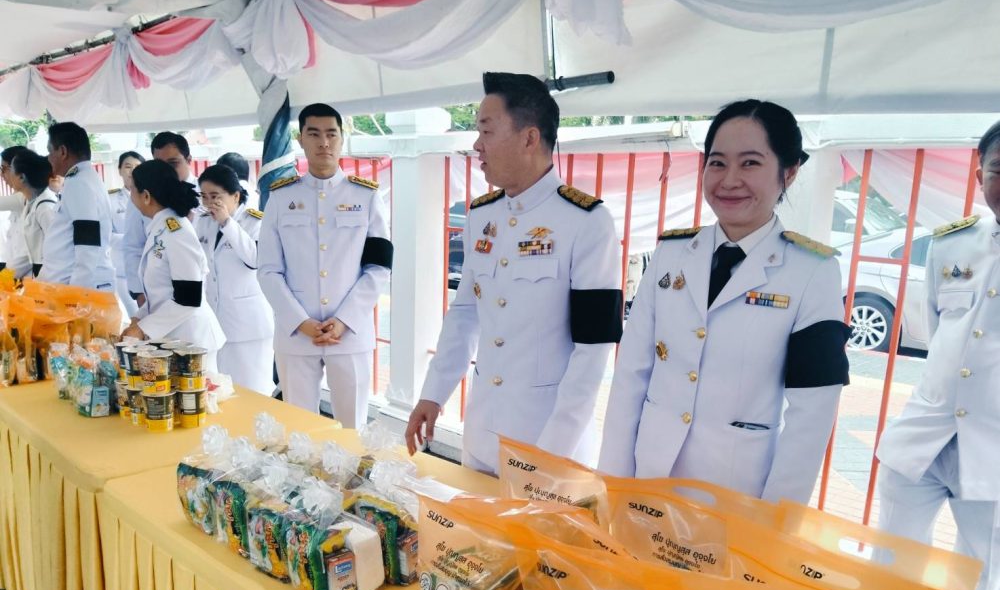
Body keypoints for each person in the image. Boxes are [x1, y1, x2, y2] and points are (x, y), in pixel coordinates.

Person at [599, 99, 850, 503]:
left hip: (735, 494)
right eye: (717, 163)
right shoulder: (671, 254)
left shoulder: (812, 271)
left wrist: (775, 520)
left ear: (788, 172)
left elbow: (813, 412)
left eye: (750, 163)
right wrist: (612, 484)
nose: (729, 180)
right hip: (650, 478)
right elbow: (631, 374)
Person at [405, 72, 623, 475]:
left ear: (529, 138)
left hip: (546, 443)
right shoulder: (482, 215)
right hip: (481, 435)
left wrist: (551, 454)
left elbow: (593, 350)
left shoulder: (586, 221)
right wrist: (433, 394)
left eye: (486, 131)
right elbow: (465, 314)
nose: (477, 145)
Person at [875, 120, 1000, 590]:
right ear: (979, 174)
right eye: (999, 170)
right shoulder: (952, 243)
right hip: (923, 436)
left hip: (994, 448)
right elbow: (937, 330)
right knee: (893, 562)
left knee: (981, 579)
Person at [258, 102, 392, 428]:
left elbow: (379, 266)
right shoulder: (280, 198)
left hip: (350, 332)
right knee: (300, 430)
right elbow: (268, 270)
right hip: (296, 333)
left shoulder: (366, 197)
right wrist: (299, 321)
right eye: (314, 134)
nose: (324, 143)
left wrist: (345, 320)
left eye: (332, 134)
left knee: (352, 428)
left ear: (342, 139)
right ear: (301, 140)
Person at [120, 160, 225, 368]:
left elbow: (188, 298)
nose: (130, 196)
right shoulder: (160, 227)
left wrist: (143, 329)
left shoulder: (176, 231)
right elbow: (161, 293)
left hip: (192, 341)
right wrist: (138, 318)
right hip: (174, 339)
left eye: (132, 190)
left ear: (146, 196)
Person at [195, 164, 274, 394]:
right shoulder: (203, 222)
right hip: (216, 322)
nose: (209, 203)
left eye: (215, 196)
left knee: (253, 391)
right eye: (204, 196)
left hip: (248, 325)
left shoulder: (255, 222)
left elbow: (255, 260)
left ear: (236, 196)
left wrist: (227, 223)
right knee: (221, 391)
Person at [122, 132, 199, 308]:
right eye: (159, 164)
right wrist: (140, 294)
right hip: (164, 299)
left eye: (173, 163)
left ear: (188, 160)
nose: (165, 171)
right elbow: (133, 246)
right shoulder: (144, 199)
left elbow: (188, 300)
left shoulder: (206, 192)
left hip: (194, 298)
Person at [40, 121, 115, 290]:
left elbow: (88, 244)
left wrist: (75, 294)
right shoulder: (82, 178)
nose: (49, 158)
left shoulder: (78, 182)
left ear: (63, 151)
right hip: (74, 285)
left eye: (50, 151)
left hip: (80, 289)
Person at [109, 151, 145, 316]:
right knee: (135, 316)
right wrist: (132, 240)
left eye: (137, 166)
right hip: (123, 270)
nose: (132, 171)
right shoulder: (110, 200)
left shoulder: (152, 197)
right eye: (127, 166)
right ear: (120, 170)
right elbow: (106, 234)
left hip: (150, 268)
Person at [12, 151, 58, 277]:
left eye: (11, 171)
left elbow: (59, 250)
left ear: (21, 177)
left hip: (52, 276)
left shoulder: (45, 207)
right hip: (40, 275)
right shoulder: (32, 203)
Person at [0, 146, 31, 277]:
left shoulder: (25, 197)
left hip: (25, 276)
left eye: (4, 169)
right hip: (14, 272)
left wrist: (5, 277)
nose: (1, 175)